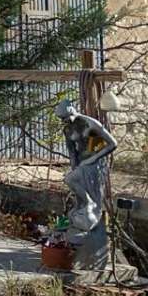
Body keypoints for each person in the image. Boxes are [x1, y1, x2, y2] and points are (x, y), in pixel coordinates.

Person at [55, 98, 115, 236]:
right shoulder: (68, 129)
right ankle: (85, 204)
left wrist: (93, 159)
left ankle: (90, 204)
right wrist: (75, 168)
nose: (63, 121)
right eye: (61, 119)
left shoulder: (90, 123)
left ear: (71, 112)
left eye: (64, 117)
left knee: (69, 180)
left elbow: (112, 144)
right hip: (82, 164)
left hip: (96, 164)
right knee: (71, 179)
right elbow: (72, 153)